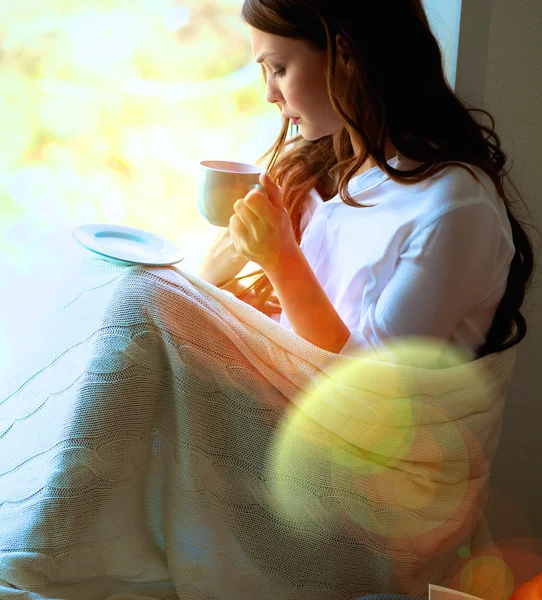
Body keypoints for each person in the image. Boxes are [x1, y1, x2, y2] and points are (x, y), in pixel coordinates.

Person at [199, 0, 537, 360]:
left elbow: (370, 390)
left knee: (145, 304)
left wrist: (280, 258)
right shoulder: (317, 170)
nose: (269, 93)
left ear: (346, 53)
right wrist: (214, 280)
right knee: (148, 297)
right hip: (279, 402)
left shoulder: (454, 206)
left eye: (279, 68)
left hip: (337, 414)